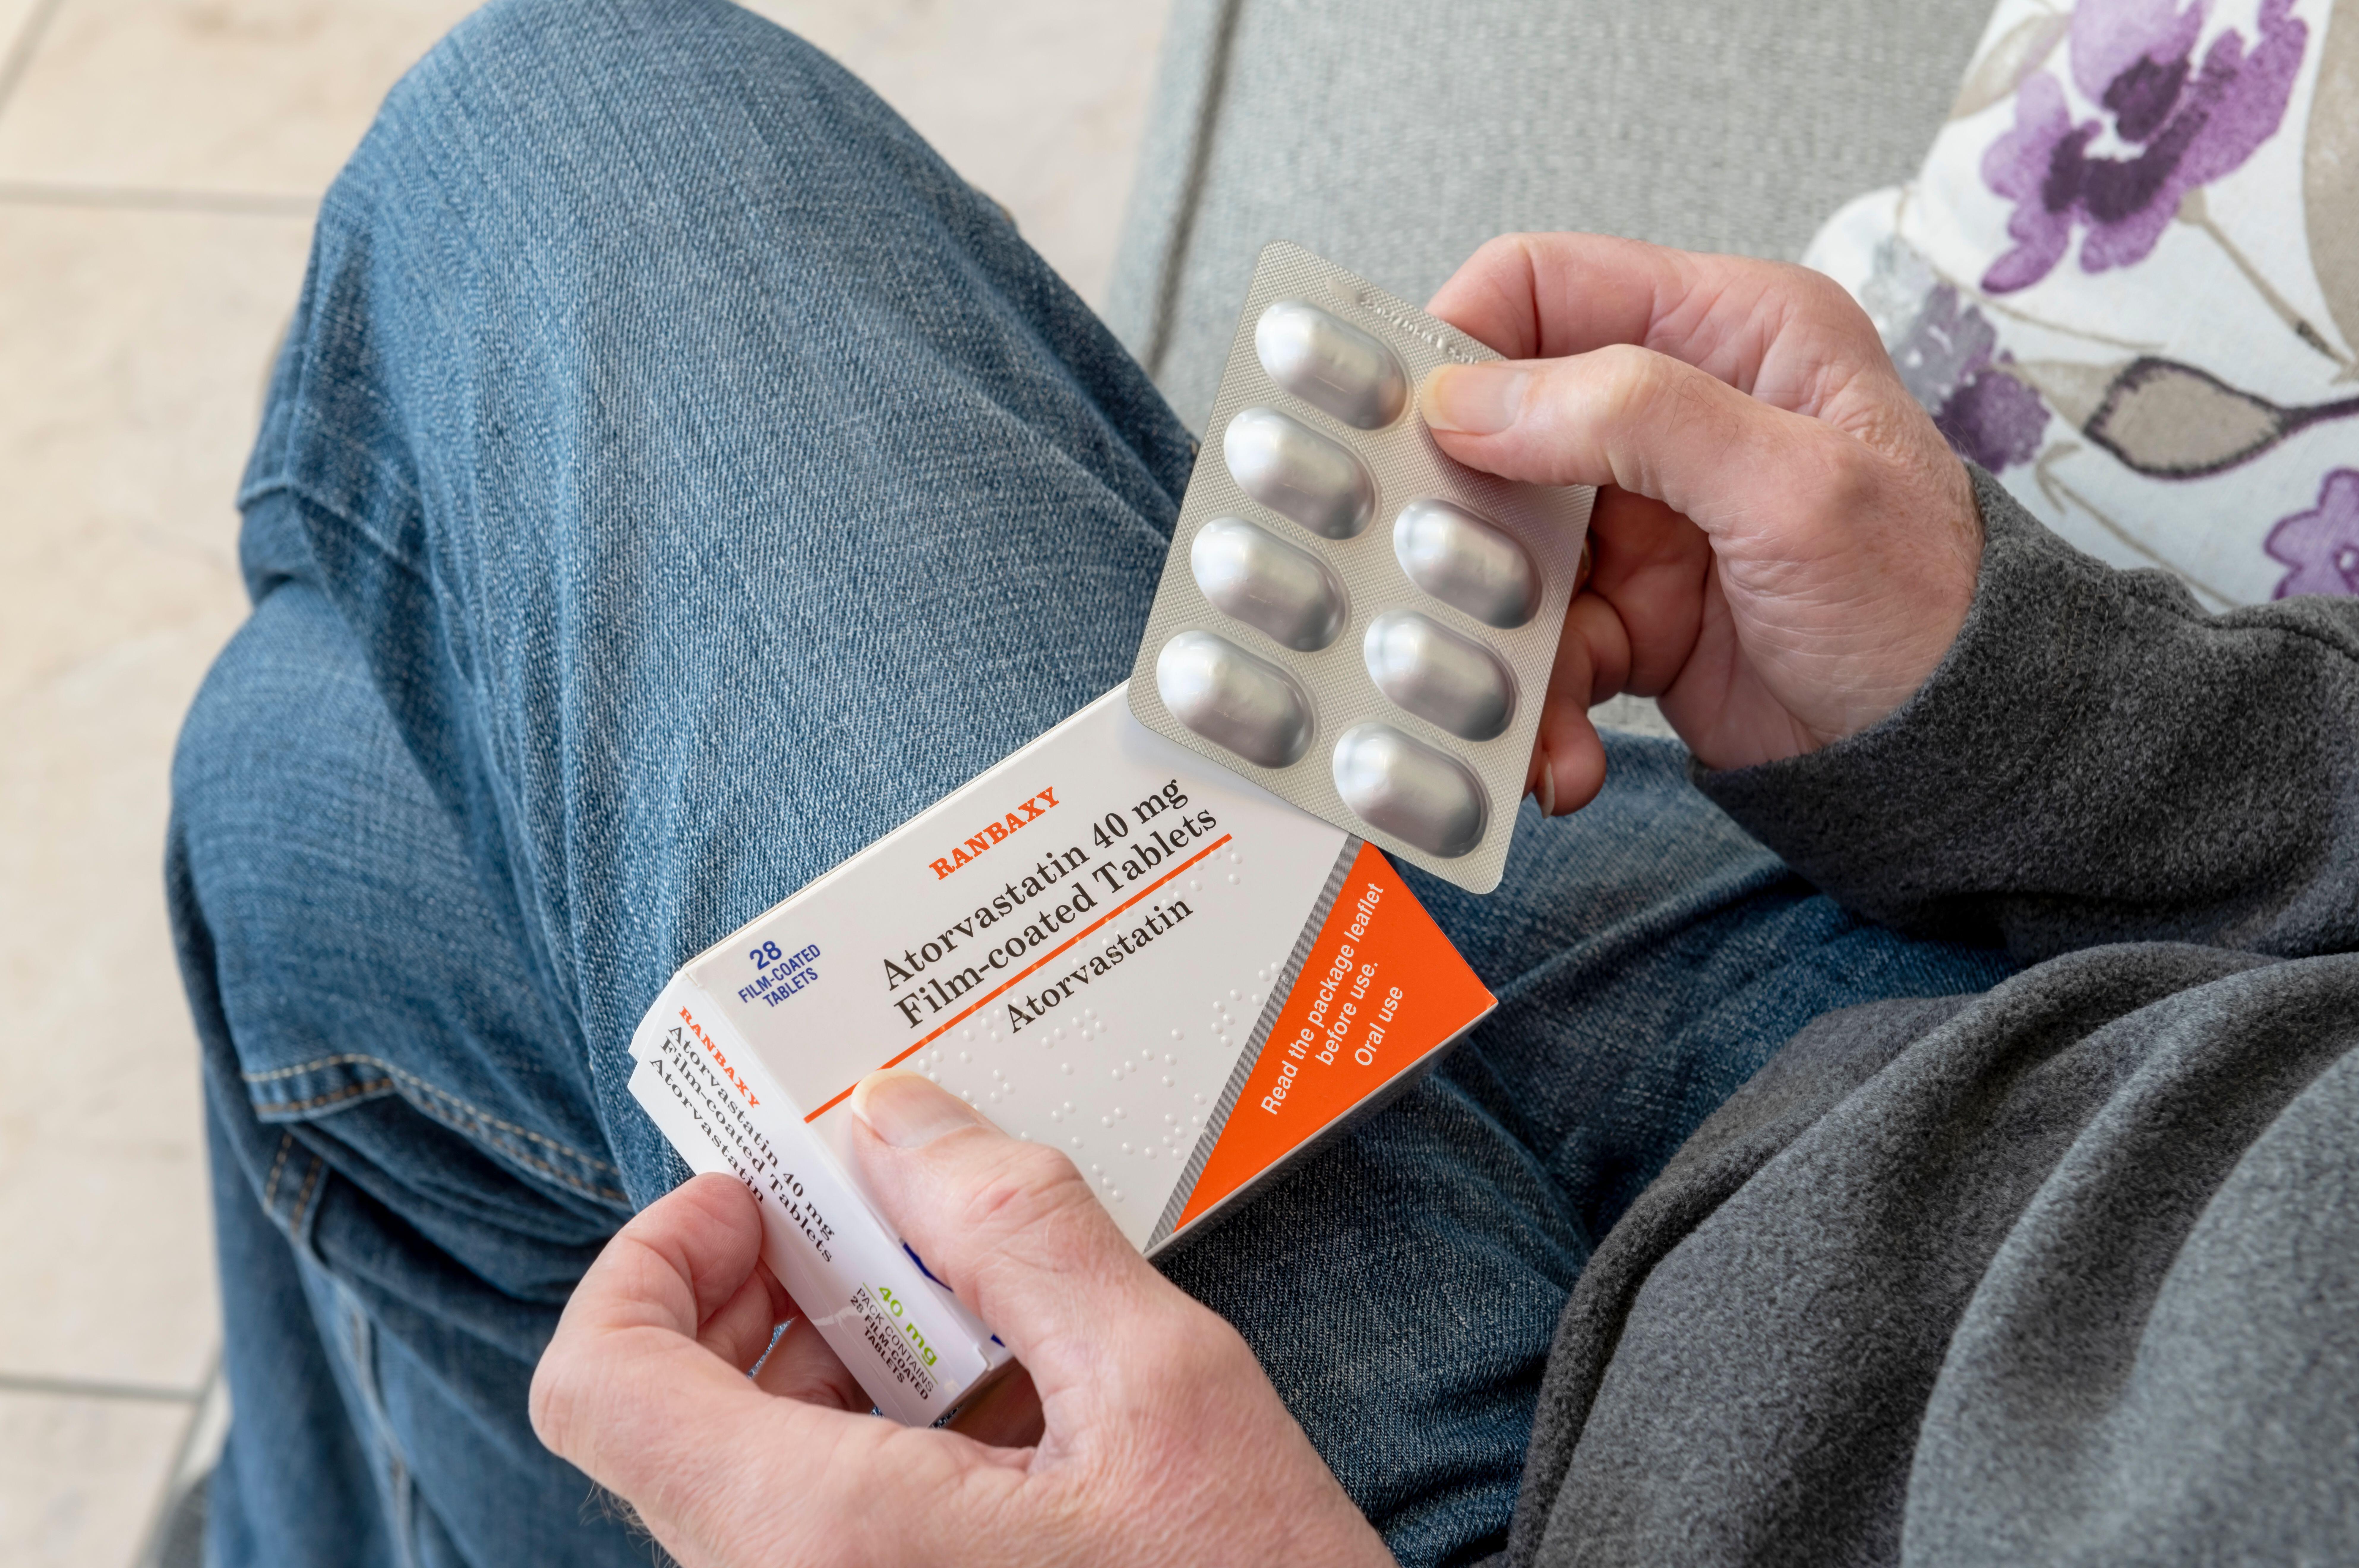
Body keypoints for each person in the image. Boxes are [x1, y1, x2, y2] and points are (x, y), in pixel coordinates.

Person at [167, 1, 2358, 1564]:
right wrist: (2036, 714)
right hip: (2027, 1076)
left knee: (572, 136)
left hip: (1521, 1510)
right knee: (307, 802)